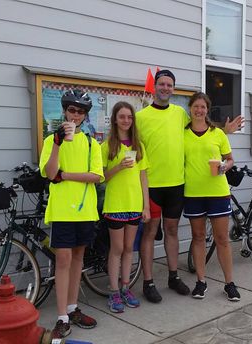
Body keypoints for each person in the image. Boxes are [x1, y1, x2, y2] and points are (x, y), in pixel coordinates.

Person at [136, 69, 243, 303]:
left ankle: (177, 277)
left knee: (182, 233)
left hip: (181, 186)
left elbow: (205, 131)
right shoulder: (142, 116)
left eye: (169, 85)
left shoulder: (179, 114)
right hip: (157, 185)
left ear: (173, 89)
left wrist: (225, 131)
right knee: (153, 233)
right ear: (155, 86)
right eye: (161, 84)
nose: (165, 88)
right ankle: (150, 281)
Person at [39, 89, 103, 339]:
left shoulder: (90, 142)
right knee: (63, 260)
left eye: (80, 112)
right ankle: (62, 316)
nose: (75, 115)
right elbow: (48, 173)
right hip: (63, 210)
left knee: (78, 259)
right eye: (71, 110)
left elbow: (96, 176)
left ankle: (73, 308)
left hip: (85, 210)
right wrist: (56, 144)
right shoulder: (50, 140)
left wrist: (64, 176)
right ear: (64, 111)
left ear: (85, 116)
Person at [183, 92, 240, 301]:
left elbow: (230, 159)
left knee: (222, 239)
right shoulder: (183, 134)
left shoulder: (218, 134)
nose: (199, 110)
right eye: (196, 106)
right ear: (190, 108)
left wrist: (226, 166)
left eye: (203, 107)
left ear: (207, 110)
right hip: (193, 193)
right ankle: (201, 281)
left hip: (217, 192)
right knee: (198, 238)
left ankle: (229, 283)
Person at [101, 101, 150, 313]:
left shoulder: (138, 146)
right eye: (122, 117)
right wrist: (119, 166)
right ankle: (113, 291)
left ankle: (125, 287)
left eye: (129, 117)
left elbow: (143, 177)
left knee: (130, 248)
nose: (126, 120)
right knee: (117, 248)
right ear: (115, 119)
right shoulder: (107, 146)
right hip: (115, 204)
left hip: (134, 204)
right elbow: (101, 178)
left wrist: (146, 206)